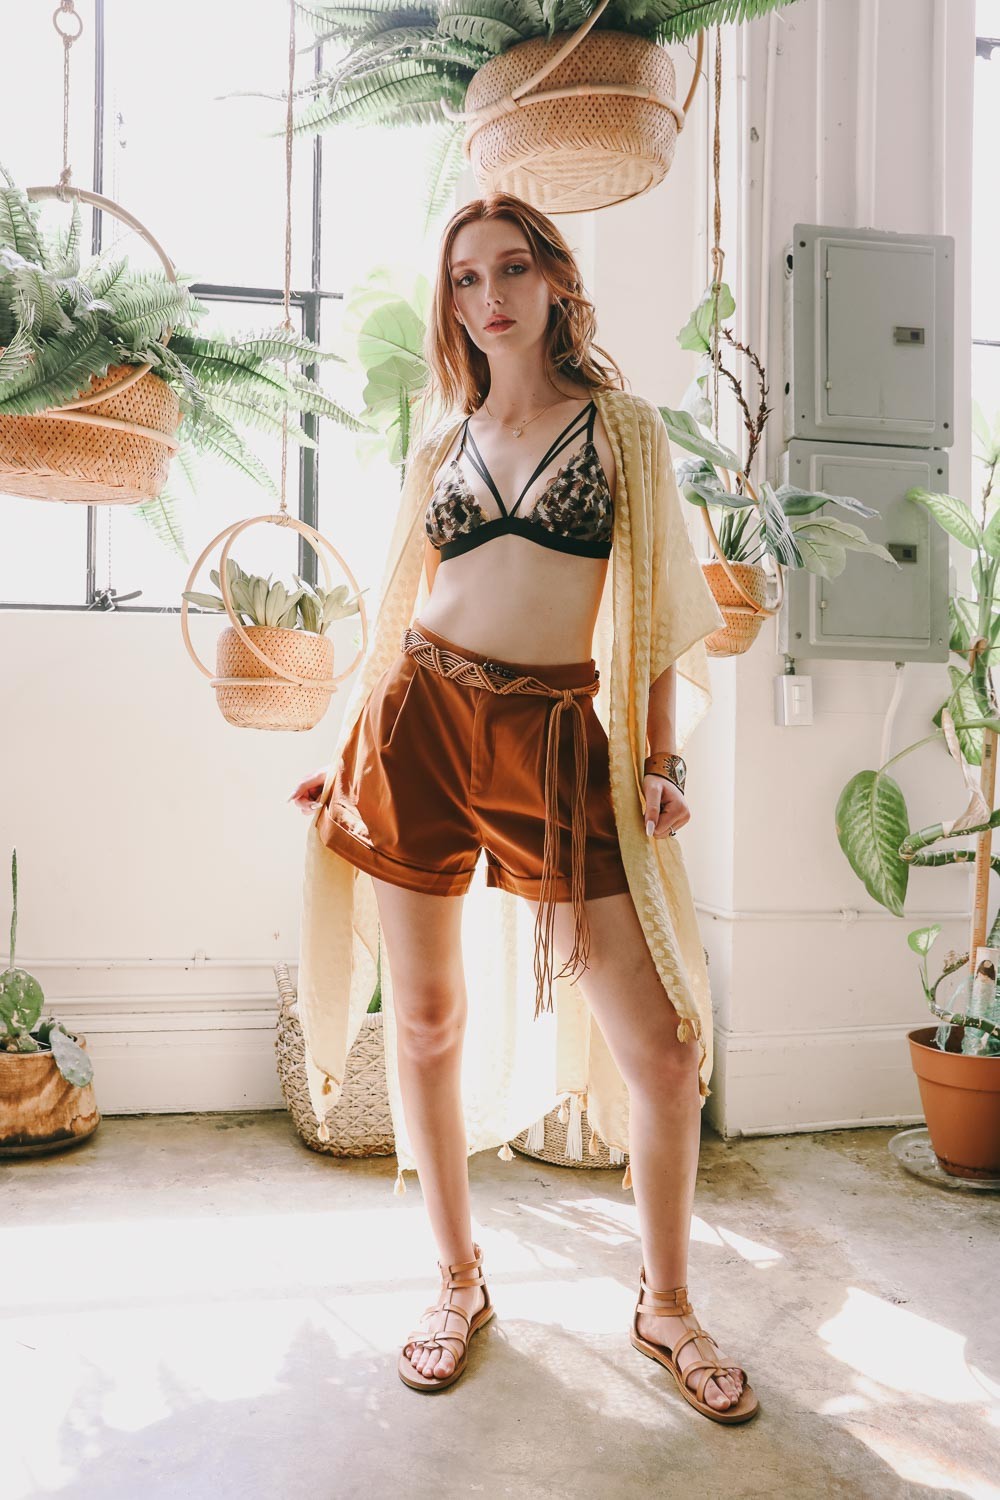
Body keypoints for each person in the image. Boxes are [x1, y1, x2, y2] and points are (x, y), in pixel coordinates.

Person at [289, 193, 757, 1422]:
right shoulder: (437, 437)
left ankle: (665, 1308)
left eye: (509, 269)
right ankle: (455, 1280)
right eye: (462, 280)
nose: (485, 296)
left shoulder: (624, 431)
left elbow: (654, 606)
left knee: (662, 1050)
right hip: (420, 730)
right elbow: (399, 606)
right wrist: (347, 747)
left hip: (556, 743)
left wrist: (661, 757)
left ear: (554, 280)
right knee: (426, 1024)